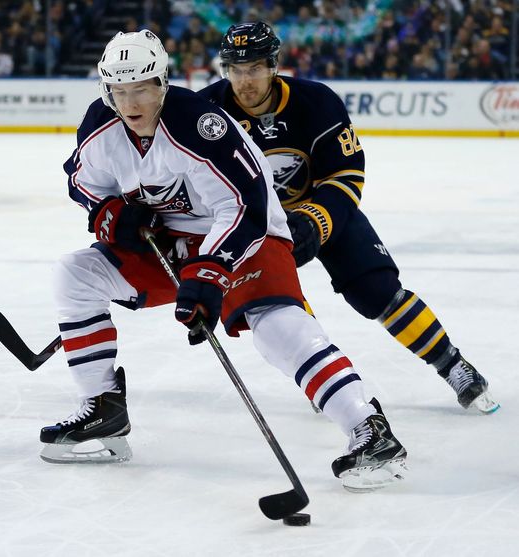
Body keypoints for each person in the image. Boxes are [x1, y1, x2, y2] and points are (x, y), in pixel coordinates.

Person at [44, 29, 407, 492]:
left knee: (274, 325)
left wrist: (209, 273)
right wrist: (111, 214)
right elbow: (81, 180)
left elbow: (245, 205)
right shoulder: (101, 125)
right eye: (119, 90)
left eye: (141, 89)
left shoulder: (199, 124)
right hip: (172, 245)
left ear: (163, 83)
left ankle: (367, 427)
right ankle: (103, 409)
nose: (130, 102)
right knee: (75, 276)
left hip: (251, 236)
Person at [199, 22, 498, 414]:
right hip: (256, 224)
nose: (244, 80)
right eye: (235, 69)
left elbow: (346, 173)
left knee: (377, 291)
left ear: (273, 65)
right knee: (281, 309)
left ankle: (452, 363)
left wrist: (316, 219)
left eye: (253, 67)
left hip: (320, 207)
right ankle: (329, 381)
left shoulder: (316, 101)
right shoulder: (206, 112)